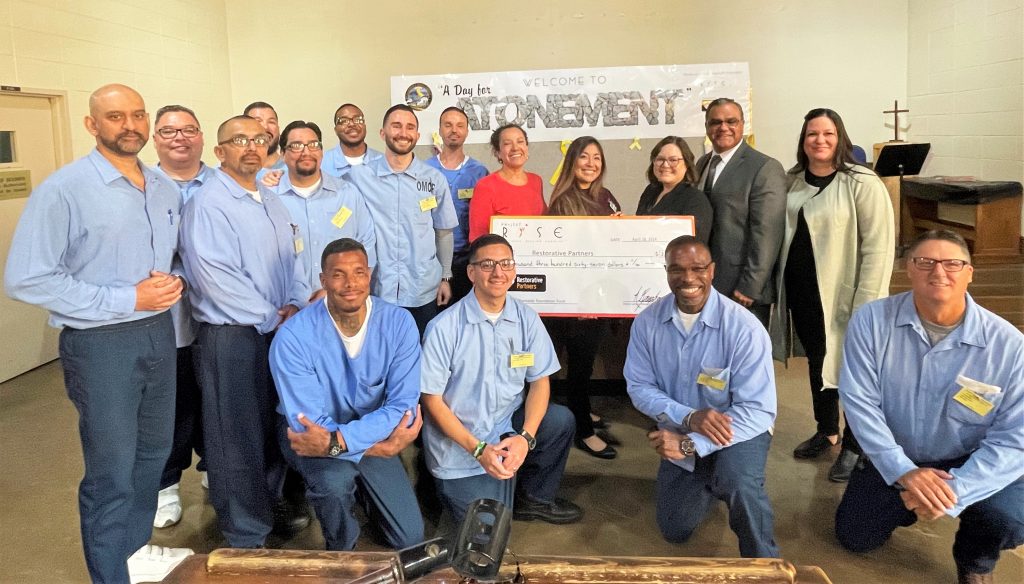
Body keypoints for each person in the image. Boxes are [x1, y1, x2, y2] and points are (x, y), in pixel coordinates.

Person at [4, 84, 192, 583]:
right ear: (92, 125)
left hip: (158, 334)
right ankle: (110, 574)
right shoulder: (64, 190)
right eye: (114, 116)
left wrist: (171, 282)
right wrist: (126, 299)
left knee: (152, 456)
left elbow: (168, 259)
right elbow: (26, 277)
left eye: (136, 114)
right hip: (100, 344)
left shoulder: (163, 187)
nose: (128, 125)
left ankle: (132, 555)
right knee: (112, 467)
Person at [835, 230, 1023, 584]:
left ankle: (975, 560)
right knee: (855, 536)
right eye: (926, 262)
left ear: (970, 272)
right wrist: (904, 472)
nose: (939, 272)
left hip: (969, 458)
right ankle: (906, 503)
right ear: (909, 268)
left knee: (1007, 518)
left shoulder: (1009, 346)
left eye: (953, 263)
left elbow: (1016, 437)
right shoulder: (872, 322)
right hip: (897, 454)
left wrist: (954, 492)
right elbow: (861, 405)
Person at [179, 115, 310, 549]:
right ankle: (244, 532)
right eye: (239, 140)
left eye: (258, 139)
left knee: (271, 427)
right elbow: (216, 279)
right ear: (220, 151)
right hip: (232, 336)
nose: (251, 147)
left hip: (276, 330)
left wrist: (293, 305)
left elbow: (292, 260)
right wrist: (275, 315)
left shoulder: (271, 199)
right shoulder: (209, 202)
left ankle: (265, 508)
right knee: (234, 436)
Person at [625, 235, 779, 559]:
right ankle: (710, 478)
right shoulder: (646, 323)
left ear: (712, 271)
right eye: (677, 269)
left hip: (739, 431)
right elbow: (638, 387)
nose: (688, 278)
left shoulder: (744, 329)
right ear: (666, 272)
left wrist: (692, 445)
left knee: (738, 482)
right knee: (674, 528)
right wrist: (688, 418)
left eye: (697, 268)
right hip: (682, 429)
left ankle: (764, 562)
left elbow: (758, 410)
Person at [270, 238, 424, 551]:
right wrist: (374, 448)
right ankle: (341, 547)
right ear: (323, 280)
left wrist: (342, 443)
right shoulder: (293, 336)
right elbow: (308, 427)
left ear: (370, 275)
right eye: (338, 274)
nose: (350, 283)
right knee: (332, 484)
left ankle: (366, 491)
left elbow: (402, 407)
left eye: (358, 272)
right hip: (318, 438)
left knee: (409, 538)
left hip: (355, 435)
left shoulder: (399, 323)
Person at [420, 234, 582, 526]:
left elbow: (540, 382)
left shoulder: (526, 318)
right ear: (471, 273)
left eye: (506, 263)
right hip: (463, 445)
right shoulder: (444, 328)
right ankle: (451, 494)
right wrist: (479, 449)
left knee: (559, 421)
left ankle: (533, 498)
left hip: (508, 425)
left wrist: (525, 438)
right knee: (488, 541)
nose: (498, 272)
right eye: (487, 264)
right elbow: (431, 400)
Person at [770, 108, 894, 483]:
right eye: (812, 134)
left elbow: (878, 247)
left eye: (827, 133)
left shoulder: (861, 181)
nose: (819, 140)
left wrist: (866, 305)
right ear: (803, 140)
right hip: (804, 293)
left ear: (840, 137)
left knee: (854, 372)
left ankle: (857, 445)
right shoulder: (792, 180)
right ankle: (827, 430)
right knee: (817, 363)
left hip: (846, 294)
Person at [150, 104, 212, 529]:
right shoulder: (143, 186)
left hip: (219, 315)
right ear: (156, 138)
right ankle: (166, 485)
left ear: (201, 137)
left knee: (217, 399)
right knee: (169, 404)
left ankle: (214, 468)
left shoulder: (222, 181)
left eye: (189, 130)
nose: (180, 138)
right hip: (166, 318)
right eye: (170, 131)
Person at [347, 104, 457, 336]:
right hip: (377, 289)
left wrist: (446, 276)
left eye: (410, 127)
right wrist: (275, 176)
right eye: (396, 126)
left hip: (423, 290)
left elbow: (444, 232)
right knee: (381, 359)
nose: (403, 133)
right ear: (382, 132)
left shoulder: (434, 179)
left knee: (421, 357)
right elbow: (321, 186)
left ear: (417, 135)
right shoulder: (358, 177)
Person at [545, 136, 622, 459]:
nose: (591, 163)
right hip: (575, 305)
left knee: (586, 364)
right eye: (584, 157)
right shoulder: (563, 202)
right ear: (572, 162)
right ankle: (583, 431)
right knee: (576, 367)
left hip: (600, 297)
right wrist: (581, 302)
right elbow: (563, 261)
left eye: (596, 158)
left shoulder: (606, 197)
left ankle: (583, 409)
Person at [696, 98, 787, 328]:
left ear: (743, 125)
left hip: (743, 290)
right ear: (707, 127)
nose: (723, 127)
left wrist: (751, 285)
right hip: (708, 284)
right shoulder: (702, 164)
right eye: (715, 122)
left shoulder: (764, 167)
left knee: (745, 358)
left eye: (731, 121)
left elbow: (768, 232)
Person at [275, 120, 377, 297]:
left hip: (340, 301)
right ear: (283, 153)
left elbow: (366, 244)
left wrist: (333, 291)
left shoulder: (347, 194)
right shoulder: (270, 199)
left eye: (314, 145)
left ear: (321, 151)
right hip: (286, 307)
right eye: (297, 146)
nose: (306, 152)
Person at [425, 106, 490, 303]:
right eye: (448, 125)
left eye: (460, 125)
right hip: (431, 257)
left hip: (467, 258)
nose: (454, 130)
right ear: (440, 129)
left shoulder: (479, 172)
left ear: (467, 131)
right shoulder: (424, 170)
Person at [468, 124, 546, 242]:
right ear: (497, 152)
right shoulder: (485, 186)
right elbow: (478, 237)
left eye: (520, 141)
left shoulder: (536, 181)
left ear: (526, 147)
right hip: (501, 259)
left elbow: (546, 223)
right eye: (507, 143)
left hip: (536, 256)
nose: (515, 148)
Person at [635, 136, 714, 244]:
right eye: (660, 159)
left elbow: (695, 246)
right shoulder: (650, 191)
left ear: (686, 164)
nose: (665, 165)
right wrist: (620, 223)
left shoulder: (695, 200)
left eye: (673, 160)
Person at [321, 103, 383, 179]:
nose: (352, 124)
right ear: (336, 130)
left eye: (357, 119)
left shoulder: (383, 162)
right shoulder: (322, 163)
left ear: (365, 126)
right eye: (344, 121)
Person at [244, 101, 286, 181]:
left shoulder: (293, 169)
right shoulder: (230, 173)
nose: (265, 127)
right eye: (258, 121)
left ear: (278, 129)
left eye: (271, 122)